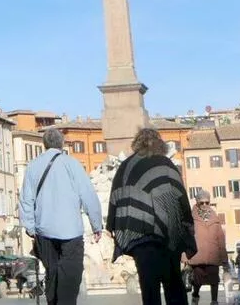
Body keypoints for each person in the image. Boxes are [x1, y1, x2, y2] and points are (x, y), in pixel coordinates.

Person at [106, 128, 196, 305]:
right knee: (173, 284)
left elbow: (114, 197)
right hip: (167, 235)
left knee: (149, 287)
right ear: (159, 144)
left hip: (139, 235)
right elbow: (180, 195)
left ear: (136, 143)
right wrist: (188, 222)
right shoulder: (165, 165)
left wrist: (111, 225)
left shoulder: (125, 167)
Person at [20, 127, 103, 305]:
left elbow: (26, 199)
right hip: (70, 230)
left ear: (44, 144)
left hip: (44, 231)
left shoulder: (33, 166)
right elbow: (88, 194)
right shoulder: (71, 163)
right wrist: (96, 224)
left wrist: (30, 227)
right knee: (70, 276)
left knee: (52, 273)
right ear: (61, 143)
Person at [184, 189, 227, 304]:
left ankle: (214, 301)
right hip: (196, 255)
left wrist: (224, 259)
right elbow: (184, 238)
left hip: (213, 255)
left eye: (207, 202)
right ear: (197, 202)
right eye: (201, 202)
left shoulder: (215, 218)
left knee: (214, 281)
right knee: (197, 282)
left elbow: (221, 239)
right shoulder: (190, 217)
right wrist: (184, 256)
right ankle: (195, 295)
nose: (204, 205)